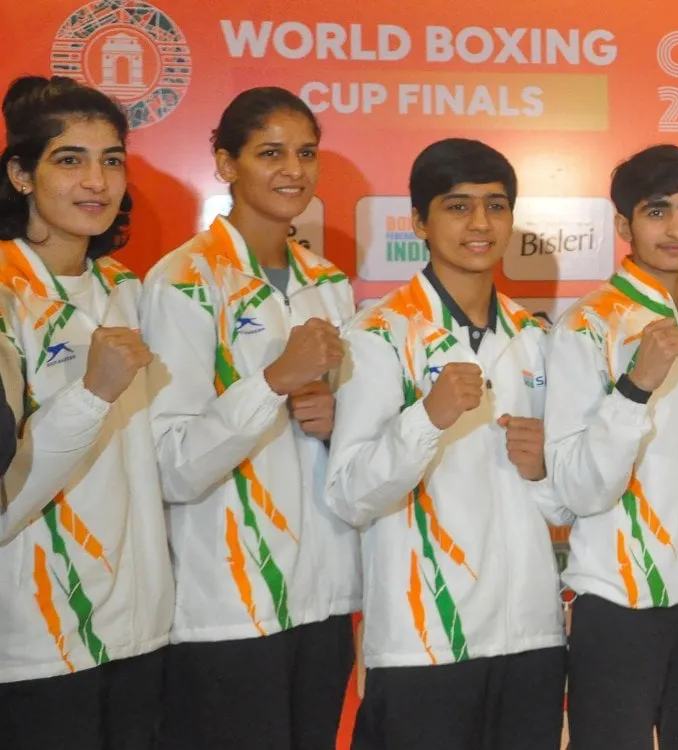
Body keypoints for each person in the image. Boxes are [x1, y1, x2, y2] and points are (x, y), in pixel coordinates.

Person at [325, 138, 570, 750]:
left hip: (531, 637)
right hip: (425, 641)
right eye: (458, 206)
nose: (481, 224)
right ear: (419, 222)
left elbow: (562, 508)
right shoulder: (378, 333)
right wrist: (426, 418)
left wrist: (545, 470)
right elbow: (350, 495)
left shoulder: (537, 339)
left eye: (496, 205)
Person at [140, 87, 358, 750]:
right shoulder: (182, 280)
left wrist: (334, 418)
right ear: (226, 163)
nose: (293, 169)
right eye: (270, 153)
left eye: (305, 152)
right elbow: (173, 464)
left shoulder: (330, 283)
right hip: (225, 610)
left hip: (322, 599)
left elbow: (355, 445)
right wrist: (273, 381)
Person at [544, 144, 678, 750]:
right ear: (622, 225)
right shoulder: (586, 326)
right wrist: (634, 387)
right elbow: (578, 489)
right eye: (657, 211)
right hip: (619, 606)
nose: (677, 228)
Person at [0, 75, 173, 750]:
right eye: (69, 160)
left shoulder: (127, 291)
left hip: (139, 633)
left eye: (111, 160)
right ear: (20, 174)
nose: (96, 181)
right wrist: (90, 393)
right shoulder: (7, 297)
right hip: (35, 644)